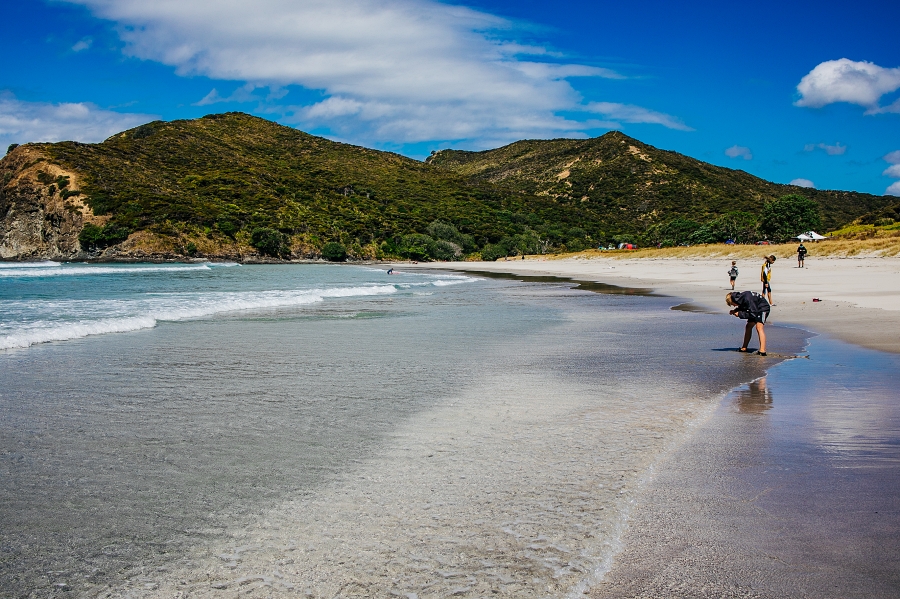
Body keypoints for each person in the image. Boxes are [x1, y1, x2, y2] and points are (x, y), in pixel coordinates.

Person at [726, 291, 770, 355]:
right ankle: (744, 347)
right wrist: (735, 311)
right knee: (748, 327)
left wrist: (739, 314)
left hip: (763, 308)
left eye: (732, 304)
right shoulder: (741, 298)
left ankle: (762, 350)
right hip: (755, 309)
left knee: (759, 327)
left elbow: (753, 314)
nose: (733, 305)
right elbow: (744, 306)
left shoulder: (747, 298)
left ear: (734, 300)